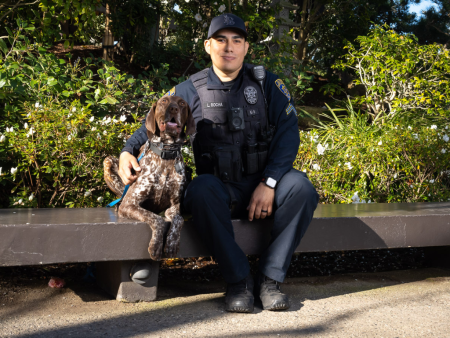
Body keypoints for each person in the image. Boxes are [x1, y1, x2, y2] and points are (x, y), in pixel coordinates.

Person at [119, 13, 319, 313]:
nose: (229, 47)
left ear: (246, 48)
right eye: (221, 40)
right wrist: (127, 150)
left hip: (264, 185)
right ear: (208, 46)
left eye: (237, 41)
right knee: (199, 190)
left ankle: (269, 279)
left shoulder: (266, 84)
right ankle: (239, 280)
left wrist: (270, 182)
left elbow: (289, 134)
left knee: (302, 188)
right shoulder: (189, 90)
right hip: (220, 192)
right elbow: (156, 119)